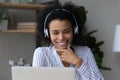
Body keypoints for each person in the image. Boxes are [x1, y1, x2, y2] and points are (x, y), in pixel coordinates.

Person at [32, 2, 104, 80]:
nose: (61, 38)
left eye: (66, 31)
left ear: (75, 30)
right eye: (55, 33)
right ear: (47, 33)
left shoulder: (85, 52)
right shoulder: (42, 53)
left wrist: (78, 62)